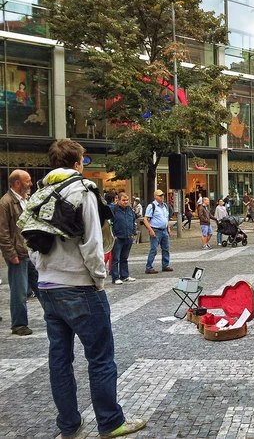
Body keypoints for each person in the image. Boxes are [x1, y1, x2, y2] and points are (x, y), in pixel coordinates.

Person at [30, 139, 146, 438]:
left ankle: (69, 424)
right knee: (101, 357)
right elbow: (93, 244)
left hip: (47, 287)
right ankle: (110, 422)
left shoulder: (40, 192)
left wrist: (42, 272)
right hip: (79, 286)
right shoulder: (83, 191)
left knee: (59, 359)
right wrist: (98, 279)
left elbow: (29, 239)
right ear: (78, 162)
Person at [0, 169, 33, 335]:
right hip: (18, 254)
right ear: (17, 183)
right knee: (19, 292)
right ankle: (19, 324)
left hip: (30, 252)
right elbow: (3, 232)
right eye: (27, 181)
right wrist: (11, 254)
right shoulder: (5, 203)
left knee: (42, 288)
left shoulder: (25, 200)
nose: (31, 184)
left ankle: (54, 317)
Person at [143, 189, 173, 274]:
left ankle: (165, 265)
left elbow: (166, 218)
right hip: (156, 230)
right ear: (155, 196)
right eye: (160, 195)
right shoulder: (152, 206)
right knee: (154, 249)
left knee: (166, 249)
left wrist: (168, 228)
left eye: (162, 195)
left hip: (164, 230)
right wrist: (151, 230)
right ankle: (149, 267)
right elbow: (146, 219)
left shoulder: (165, 206)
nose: (162, 197)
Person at [110, 192, 137, 285]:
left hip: (128, 236)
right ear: (118, 200)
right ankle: (115, 277)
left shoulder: (130, 210)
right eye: (123, 200)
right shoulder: (113, 209)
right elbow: (109, 223)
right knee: (115, 258)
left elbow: (133, 220)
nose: (126, 202)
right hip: (118, 237)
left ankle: (124, 275)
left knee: (124, 258)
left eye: (127, 200)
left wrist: (133, 232)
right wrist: (113, 234)